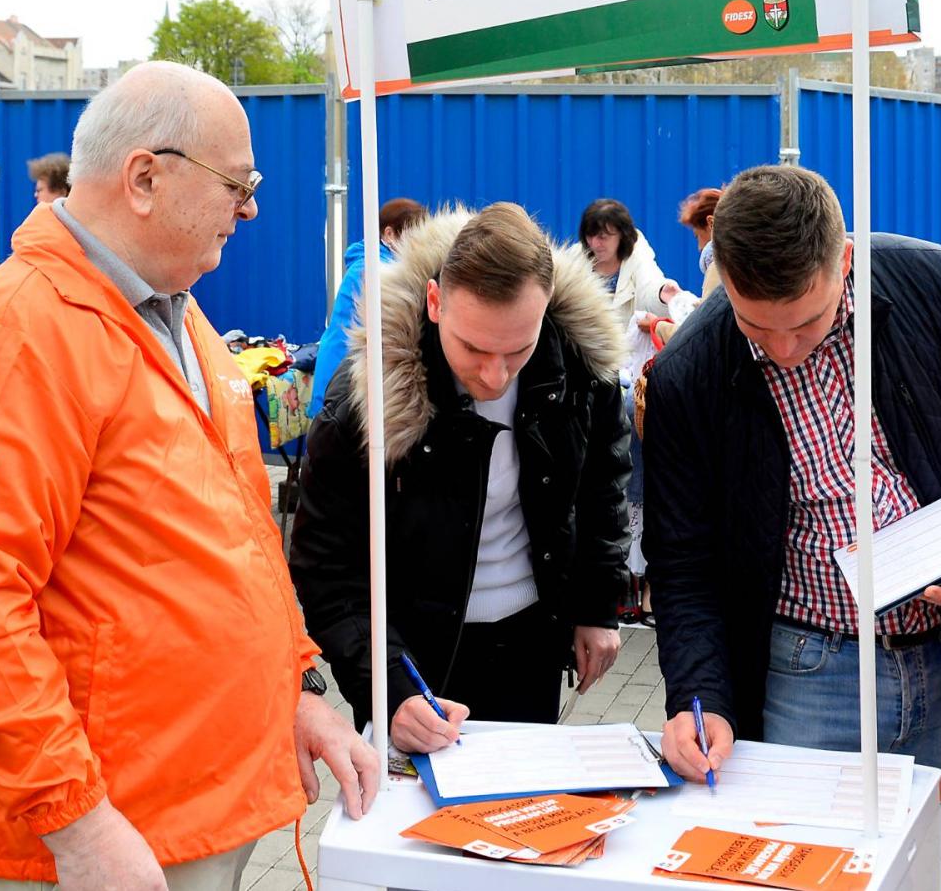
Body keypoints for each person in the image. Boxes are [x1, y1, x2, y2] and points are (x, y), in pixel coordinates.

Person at [0, 62, 378, 890]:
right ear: (145, 177)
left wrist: (295, 689)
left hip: (184, 804)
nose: (252, 207)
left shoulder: (174, 314)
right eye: (240, 181)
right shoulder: (20, 335)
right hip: (95, 834)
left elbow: (234, 537)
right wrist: (76, 824)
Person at [644, 165, 941, 891]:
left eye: (806, 322)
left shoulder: (929, 281)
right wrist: (697, 698)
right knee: (814, 877)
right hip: (809, 671)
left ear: (846, 262)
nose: (785, 349)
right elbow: (683, 563)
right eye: (755, 327)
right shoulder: (691, 372)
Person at [291, 203, 630, 752]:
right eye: (472, 348)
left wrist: (596, 605)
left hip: (531, 641)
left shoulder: (582, 368)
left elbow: (603, 486)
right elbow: (326, 567)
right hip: (412, 655)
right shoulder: (369, 400)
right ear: (434, 303)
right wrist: (386, 686)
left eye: (518, 349)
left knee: (520, 820)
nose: (495, 375)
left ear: (546, 313)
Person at [308, 197, 426, 414]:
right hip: (343, 382)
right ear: (389, 234)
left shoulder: (371, 264)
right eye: (414, 237)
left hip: (345, 376)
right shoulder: (373, 271)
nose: (418, 247)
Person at [579, 198, 680, 328]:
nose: (594, 244)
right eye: (589, 236)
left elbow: (649, 285)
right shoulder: (572, 262)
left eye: (602, 237)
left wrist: (661, 294)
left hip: (627, 347)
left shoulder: (638, 257)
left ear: (621, 234)